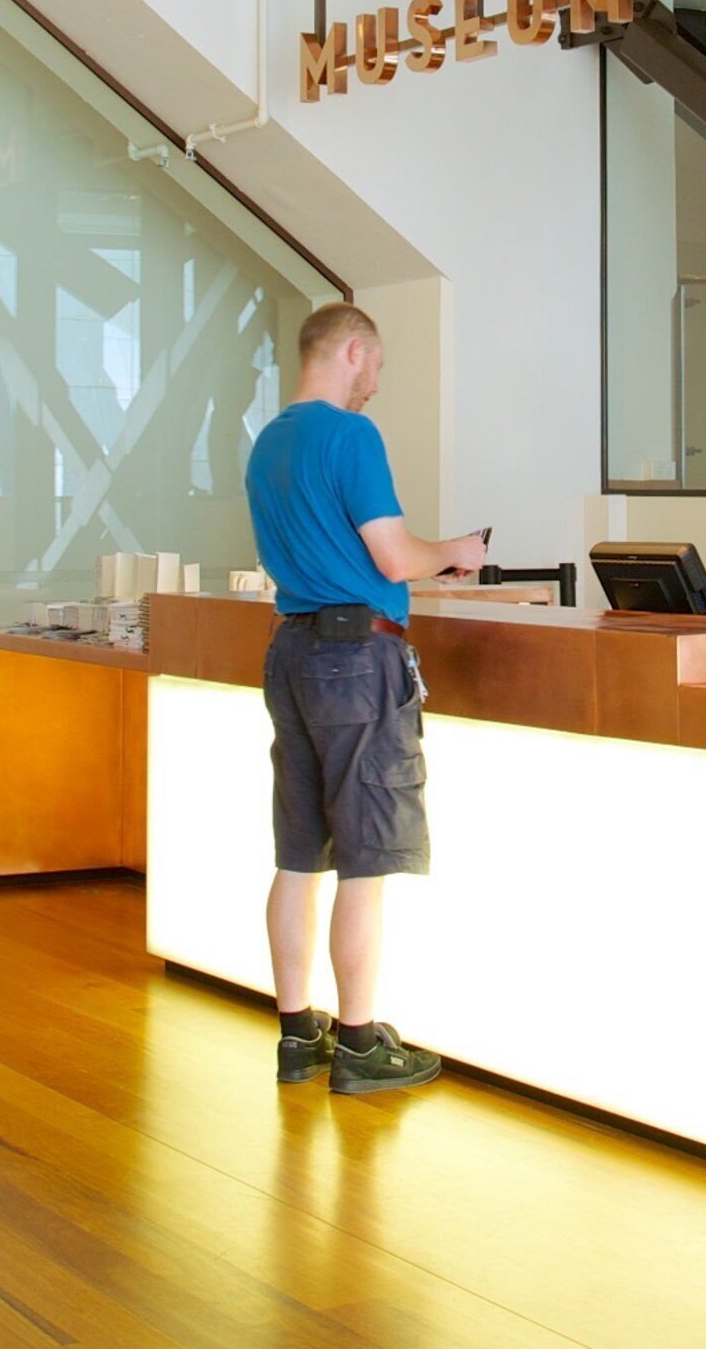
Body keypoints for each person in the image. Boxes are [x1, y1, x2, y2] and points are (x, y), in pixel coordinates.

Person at [243, 301, 486, 1095]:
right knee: (363, 861)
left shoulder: (268, 442)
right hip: (357, 656)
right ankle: (358, 1042)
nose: (377, 385)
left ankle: (295, 1033)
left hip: (290, 651)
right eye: (376, 367)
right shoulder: (351, 437)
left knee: (296, 852)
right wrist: (454, 553)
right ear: (351, 351)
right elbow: (392, 553)